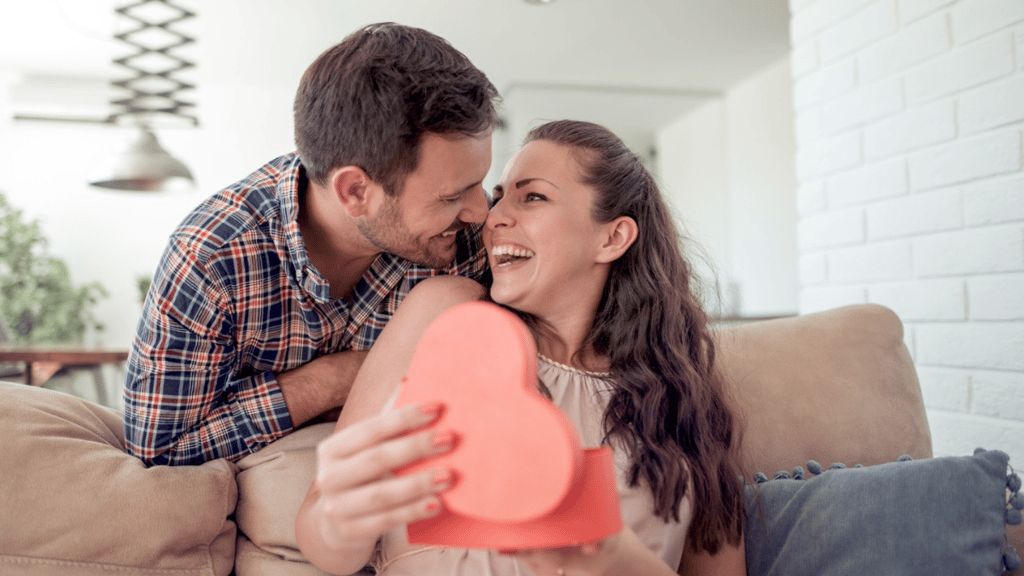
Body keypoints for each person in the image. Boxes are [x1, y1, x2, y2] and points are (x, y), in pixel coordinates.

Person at [295, 120, 748, 575]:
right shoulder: (446, 315)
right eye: (499, 197)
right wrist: (337, 523)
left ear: (612, 238)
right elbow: (322, 533)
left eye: (533, 196)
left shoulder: (683, 398)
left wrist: (614, 558)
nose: (493, 219)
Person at [122, 22, 500, 466]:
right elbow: (160, 454)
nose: (481, 210)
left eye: (479, 183)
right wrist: (335, 380)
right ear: (355, 192)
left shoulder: (466, 237)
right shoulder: (211, 258)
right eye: (452, 195)